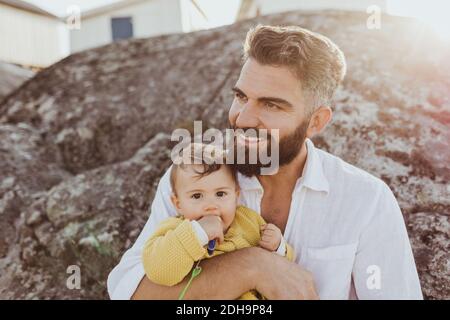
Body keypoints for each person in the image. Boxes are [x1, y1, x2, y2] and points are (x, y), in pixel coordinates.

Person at [108, 25, 423, 300]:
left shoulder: (366, 200)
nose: (243, 119)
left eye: (271, 104)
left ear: (316, 122)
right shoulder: (193, 178)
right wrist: (251, 266)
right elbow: (131, 291)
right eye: (242, 97)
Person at [141, 143, 294, 299]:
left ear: (236, 196)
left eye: (220, 194)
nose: (211, 206)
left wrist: (278, 246)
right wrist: (197, 233)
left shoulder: (248, 221)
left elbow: (281, 270)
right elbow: (159, 272)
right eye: (197, 196)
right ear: (178, 204)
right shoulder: (174, 229)